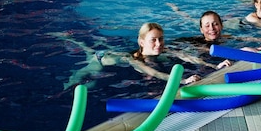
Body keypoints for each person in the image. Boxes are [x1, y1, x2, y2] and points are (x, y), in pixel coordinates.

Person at [62, 22, 201, 90]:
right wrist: (183, 81)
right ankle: (69, 39)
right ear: (142, 42)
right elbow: (153, 72)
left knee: (87, 50)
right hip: (100, 60)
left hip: (109, 52)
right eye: (153, 40)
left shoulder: (163, 49)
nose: (159, 43)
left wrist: (214, 66)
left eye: (161, 38)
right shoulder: (133, 59)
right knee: (76, 81)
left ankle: (74, 40)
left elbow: (187, 56)